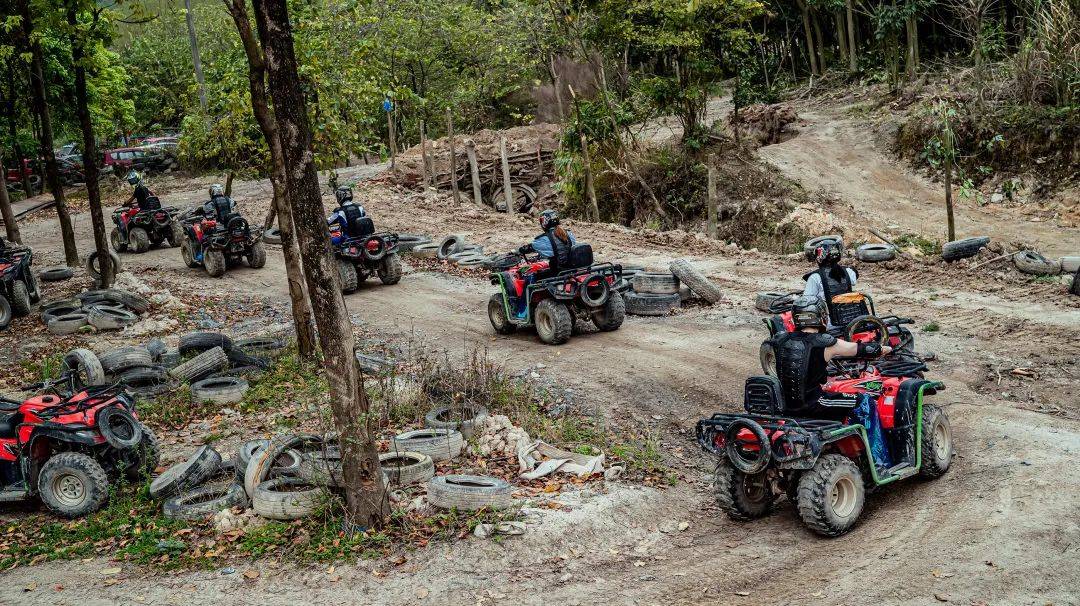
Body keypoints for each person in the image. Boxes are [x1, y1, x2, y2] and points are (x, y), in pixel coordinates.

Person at [769, 295, 890, 420]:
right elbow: (861, 349)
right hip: (814, 404)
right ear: (821, 316)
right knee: (865, 401)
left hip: (785, 405)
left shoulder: (780, 340)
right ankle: (870, 439)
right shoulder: (825, 342)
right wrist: (883, 349)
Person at [802, 239, 859, 328]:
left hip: (830, 323)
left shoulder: (815, 277)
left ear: (819, 256)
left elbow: (807, 301)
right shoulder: (848, 272)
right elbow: (854, 278)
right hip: (850, 317)